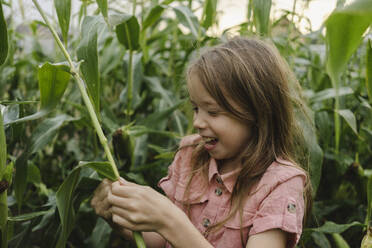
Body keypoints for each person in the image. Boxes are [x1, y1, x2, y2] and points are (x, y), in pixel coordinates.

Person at [91, 37, 312, 248]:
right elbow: (160, 239)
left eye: (213, 112)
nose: (197, 121)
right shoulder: (190, 156)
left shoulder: (279, 186)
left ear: (257, 111)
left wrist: (170, 220)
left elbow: (171, 227)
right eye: (196, 108)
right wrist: (119, 214)